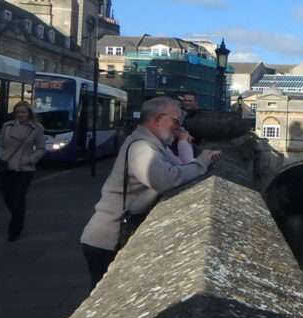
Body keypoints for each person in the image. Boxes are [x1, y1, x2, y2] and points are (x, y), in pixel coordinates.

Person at [80, 96, 221, 289]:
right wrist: (202, 162)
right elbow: (166, 179)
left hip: (113, 234)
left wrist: (200, 162)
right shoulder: (141, 147)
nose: (179, 127)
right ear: (156, 119)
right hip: (108, 238)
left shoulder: (153, 145)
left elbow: (180, 170)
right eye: (176, 121)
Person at [0, 101, 46, 240]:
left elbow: (41, 148)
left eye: (23, 112)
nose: (20, 115)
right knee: (8, 198)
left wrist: (31, 159)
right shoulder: (7, 126)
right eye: (18, 112)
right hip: (7, 167)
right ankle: (17, 217)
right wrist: (1, 156)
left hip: (25, 169)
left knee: (18, 198)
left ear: (29, 113)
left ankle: (15, 229)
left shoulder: (36, 128)